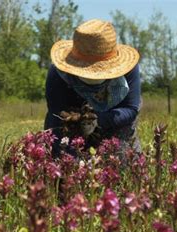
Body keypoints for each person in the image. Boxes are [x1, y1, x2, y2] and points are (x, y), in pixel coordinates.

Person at [44, 19, 141, 155]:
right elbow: (56, 112)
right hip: (71, 120)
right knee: (61, 157)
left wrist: (97, 120)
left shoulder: (129, 69)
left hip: (113, 117)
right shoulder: (58, 72)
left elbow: (130, 109)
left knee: (123, 160)